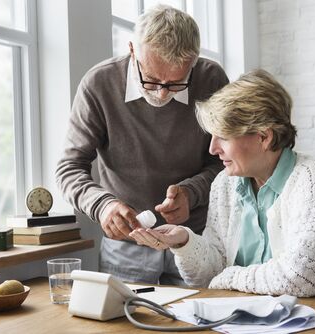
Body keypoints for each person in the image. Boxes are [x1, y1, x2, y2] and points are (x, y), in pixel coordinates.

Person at [129, 69, 315, 298]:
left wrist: (230, 277)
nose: (212, 149)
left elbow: (309, 275)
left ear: (264, 137)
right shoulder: (224, 184)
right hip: (243, 321)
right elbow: (210, 275)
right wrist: (184, 242)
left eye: (223, 136)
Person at [55, 5, 229, 285]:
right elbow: (69, 168)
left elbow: (225, 162)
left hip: (196, 241)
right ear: (133, 50)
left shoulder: (212, 80)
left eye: (176, 83)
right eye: (151, 80)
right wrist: (102, 205)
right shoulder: (99, 84)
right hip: (125, 248)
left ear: (194, 61)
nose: (161, 93)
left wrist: (191, 193)